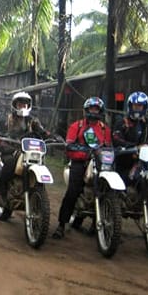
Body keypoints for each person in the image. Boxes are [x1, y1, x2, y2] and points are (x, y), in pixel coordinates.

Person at [52, 96, 112, 239]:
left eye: (96, 108)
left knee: (109, 191)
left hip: (100, 164)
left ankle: (105, 225)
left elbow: (109, 147)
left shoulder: (104, 129)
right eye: (91, 108)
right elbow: (69, 145)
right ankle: (61, 225)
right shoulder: (77, 126)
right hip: (80, 162)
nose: (94, 111)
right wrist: (83, 152)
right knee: (73, 191)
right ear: (86, 110)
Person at [0, 91, 57, 206]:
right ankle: (1, 193)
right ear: (15, 105)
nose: (22, 107)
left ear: (28, 106)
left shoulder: (32, 120)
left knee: (40, 163)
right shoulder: (7, 119)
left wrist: (53, 137)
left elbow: (42, 132)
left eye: (25, 105)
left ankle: (36, 192)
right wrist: (6, 145)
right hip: (11, 150)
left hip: (29, 151)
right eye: (20, 104)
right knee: (10, 163)